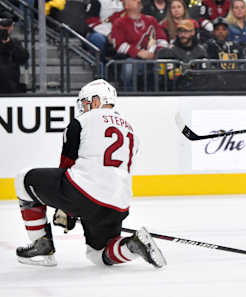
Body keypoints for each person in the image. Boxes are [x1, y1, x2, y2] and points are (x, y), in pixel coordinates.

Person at [14, 79, 166, 268]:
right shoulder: (130, 129)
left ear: (96, 101)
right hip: (118, 206)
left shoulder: (82, 121)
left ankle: (41, 246)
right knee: (98, 254)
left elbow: (65, 166)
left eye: (85, 103)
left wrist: (65, 209)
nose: (84, 108)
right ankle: (132, 245)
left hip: (82, 193)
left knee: (23, 179)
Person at [110, 0, 168, 91]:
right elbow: (119, 45)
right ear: (126, 5)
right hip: (132, 59)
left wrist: (156, 52)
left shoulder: (151, 20)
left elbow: (162, 40)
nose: (138, 1)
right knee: (129, 67)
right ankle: (129, 95)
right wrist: (138, 52)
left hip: (153, 57)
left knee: (163, 66)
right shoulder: (119, 22)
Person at [0, 8, 29, 93]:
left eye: (9, 26)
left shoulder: (15, 42)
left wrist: (8, 42)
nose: (6, 29)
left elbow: (23, 58)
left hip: (11, 90)